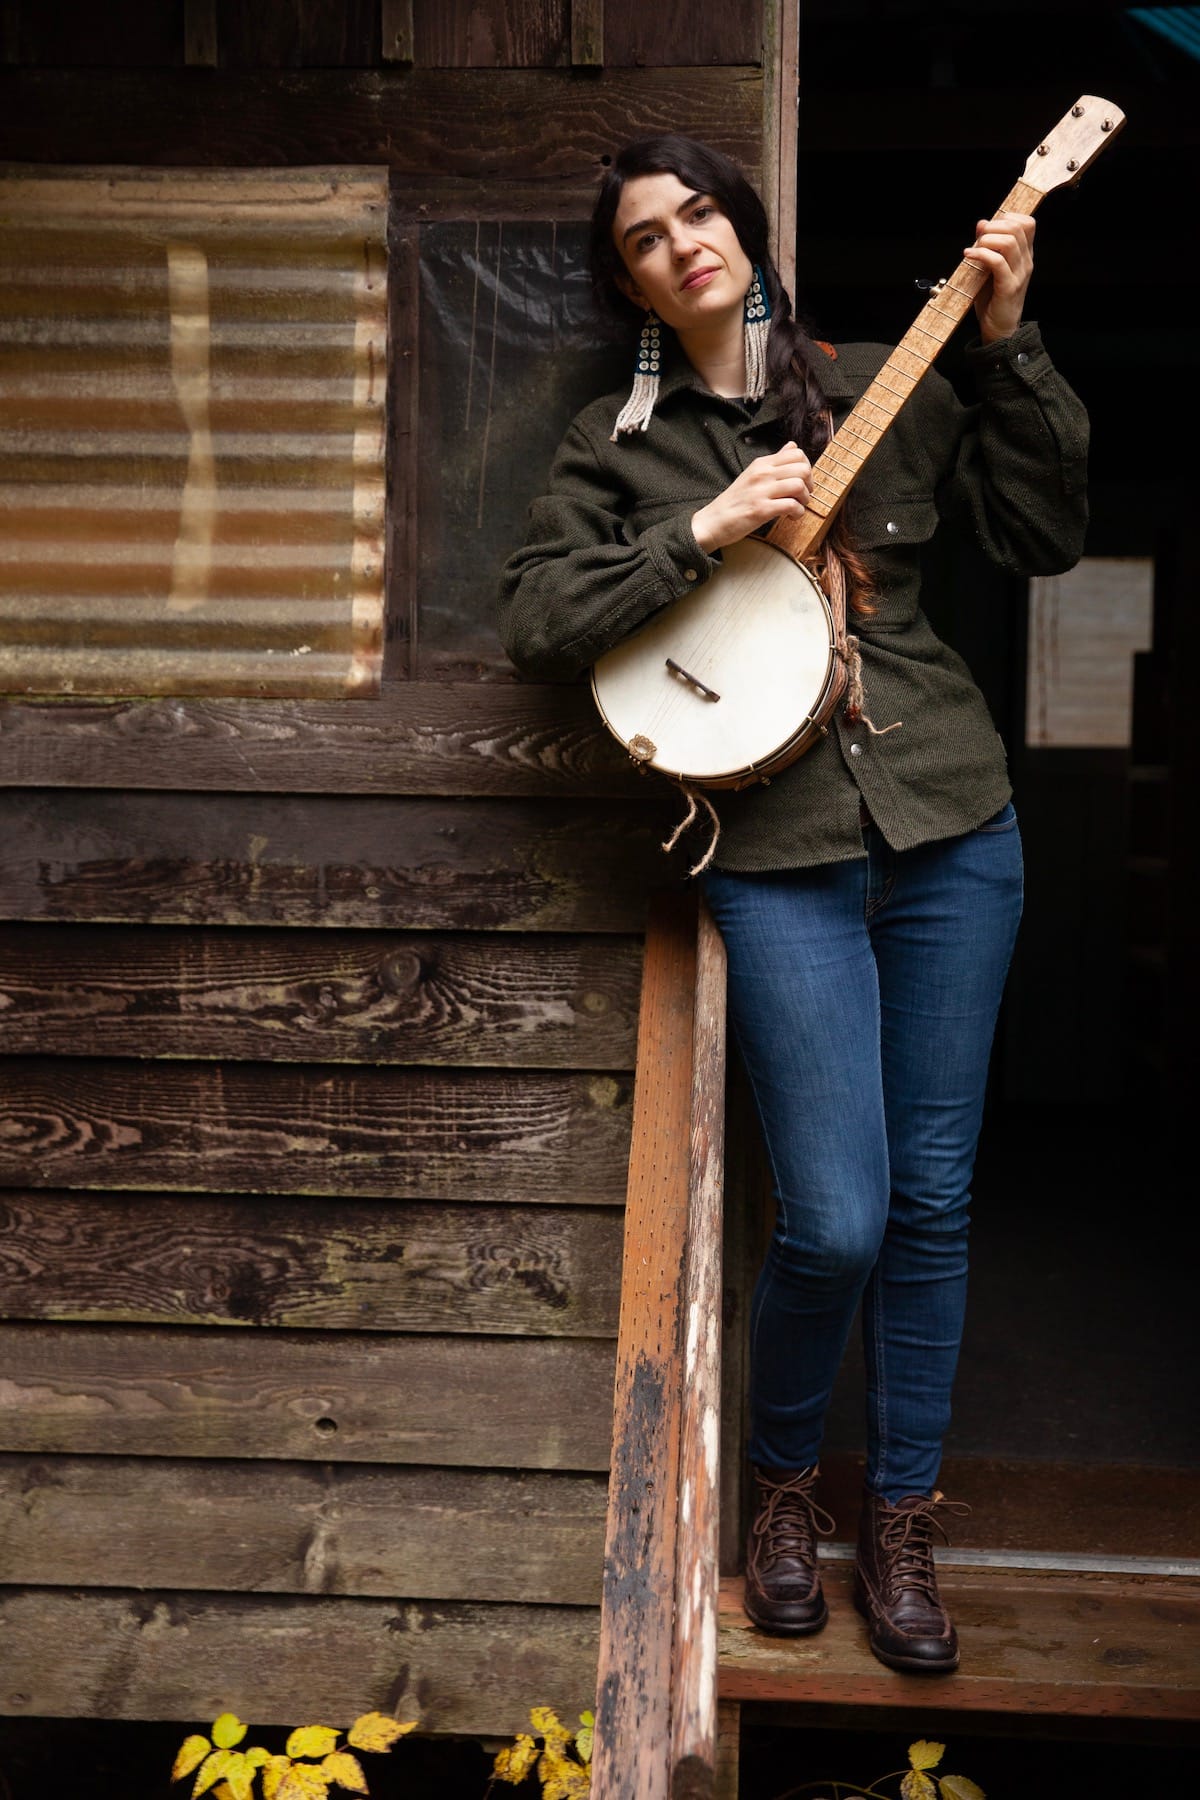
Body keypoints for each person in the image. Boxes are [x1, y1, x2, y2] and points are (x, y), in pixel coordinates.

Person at [497, 135, 1088, 1674]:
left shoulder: (891, 374)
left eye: (700, 213)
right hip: (776, 854)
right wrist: (695, 535)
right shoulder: (616, 445)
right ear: (626, 280)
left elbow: (1047, 536)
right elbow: (538, 618)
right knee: (836, 1216)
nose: (682, 244)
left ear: (747, 229)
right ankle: (779, 1493)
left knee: (940, 1203)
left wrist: (1012, 343)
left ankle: (898, 1522)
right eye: (645, 236)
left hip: (956, 824)